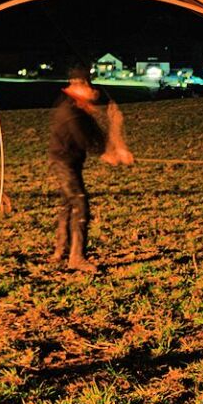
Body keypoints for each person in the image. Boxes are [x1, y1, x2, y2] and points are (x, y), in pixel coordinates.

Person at [47, 66, 134, 273]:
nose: (93, 90)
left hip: (71, 161)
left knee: (68, 204)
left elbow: (98, 138)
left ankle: (61, 251)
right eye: (88, 85)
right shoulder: (70, 110)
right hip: (63, 162)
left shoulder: (80, 106)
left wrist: (116, 132)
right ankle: (76, 257)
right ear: (77, 85)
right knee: (79, 202)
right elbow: (89, 142)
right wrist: (112, 153)